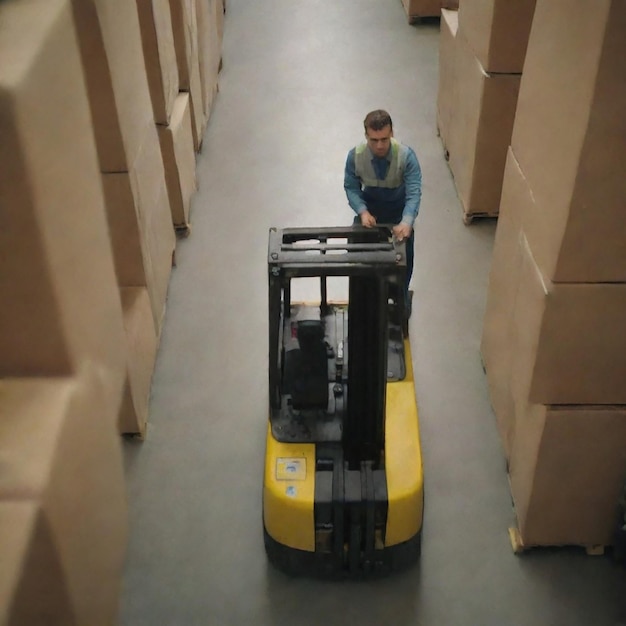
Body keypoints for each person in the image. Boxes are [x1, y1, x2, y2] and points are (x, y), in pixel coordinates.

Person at [344, 109, 422, 317]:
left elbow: (413, 193)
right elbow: (351, 187)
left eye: (384, 139)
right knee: (358, 254)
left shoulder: (406, 157)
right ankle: (364, 295)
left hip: (397, 212)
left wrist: (406, 221)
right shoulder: (355, 157)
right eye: (374, 140)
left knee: (404, 255)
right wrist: (362, 212)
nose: (379, 145)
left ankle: (400, 296)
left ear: (392, 133)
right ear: (366, 136)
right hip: (371, 212)